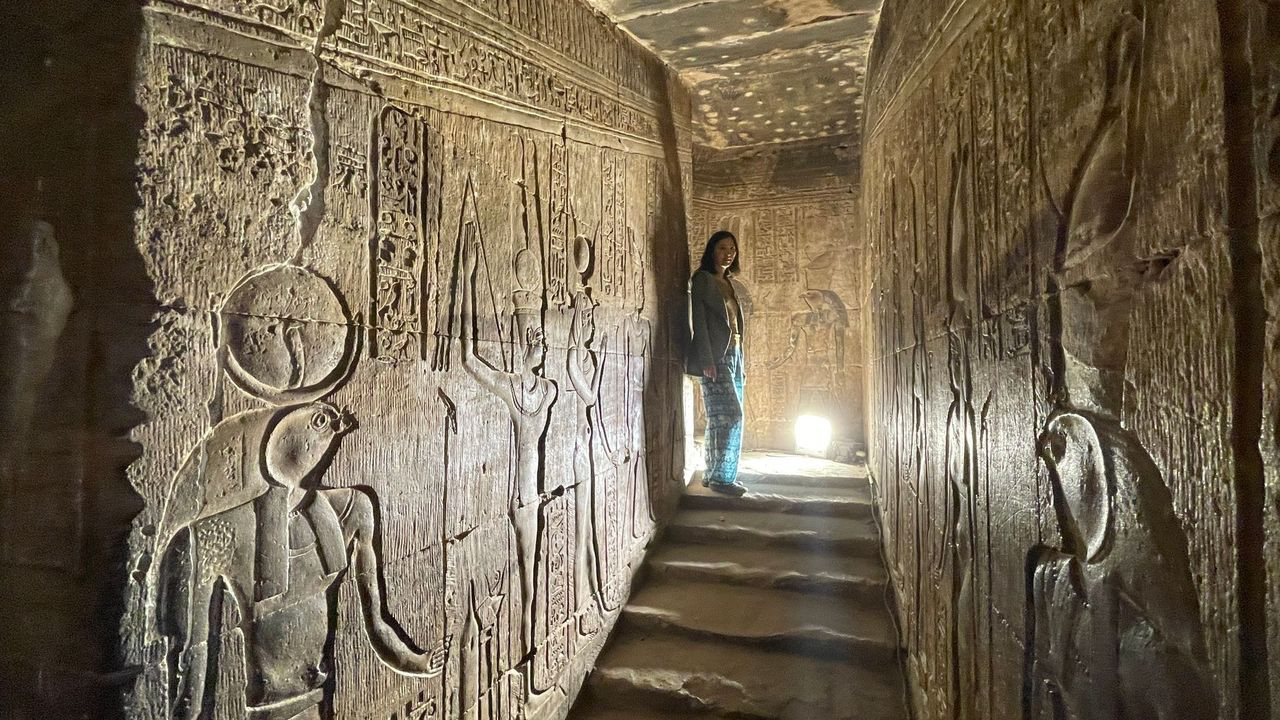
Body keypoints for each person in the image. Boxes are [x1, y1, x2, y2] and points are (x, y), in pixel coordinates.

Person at [687, 230, 748, 496]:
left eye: (732, 249)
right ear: (712, 250)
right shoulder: (702, 279)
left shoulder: (729, 282)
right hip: (715, 356)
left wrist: (742, 361)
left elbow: (735, 325)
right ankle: (723, 479)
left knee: (719, 418)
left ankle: (713, 475)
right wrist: (706, 360)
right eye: (723, 248)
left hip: (735, 354)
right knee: (731, 416)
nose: (728, 253)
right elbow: (699, 323)